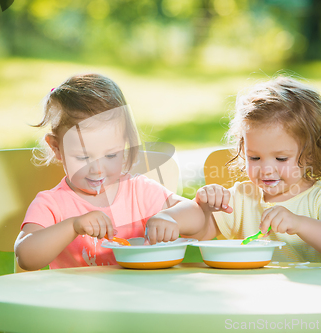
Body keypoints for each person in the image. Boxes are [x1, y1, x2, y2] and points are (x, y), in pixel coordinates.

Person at [14, 73, 200, 270]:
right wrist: (72, 226)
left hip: (139, 295)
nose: (97, 169)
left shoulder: (139, 192)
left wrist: (170, 217)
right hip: (75, 299)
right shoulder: (51, 204)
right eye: (83, 157)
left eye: (111, 155)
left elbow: (197, 217)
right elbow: (26, 257)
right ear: (57, 148)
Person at [191, 75, 321, 263]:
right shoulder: (242, 198)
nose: (266, 170)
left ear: (310, 154)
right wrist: (202, 208)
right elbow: (200, 231)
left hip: (312, 291)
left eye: (281, 158)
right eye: (254, 157)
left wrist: (299, 223)